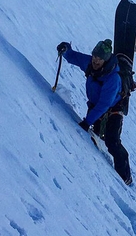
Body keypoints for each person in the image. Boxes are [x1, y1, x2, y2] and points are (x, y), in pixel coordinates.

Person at [56, 39, 132, 185]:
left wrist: (86, 122)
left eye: (100, 59)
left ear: (106, 60)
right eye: (95, 57)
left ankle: (125, 178)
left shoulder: (113, 78)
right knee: (96, 135)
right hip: (96, 106)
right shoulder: (91, 64)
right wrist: (66, 49)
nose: (96, 61)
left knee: (112, 141)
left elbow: (104, 104)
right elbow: (74, 57)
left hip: (113, 109)